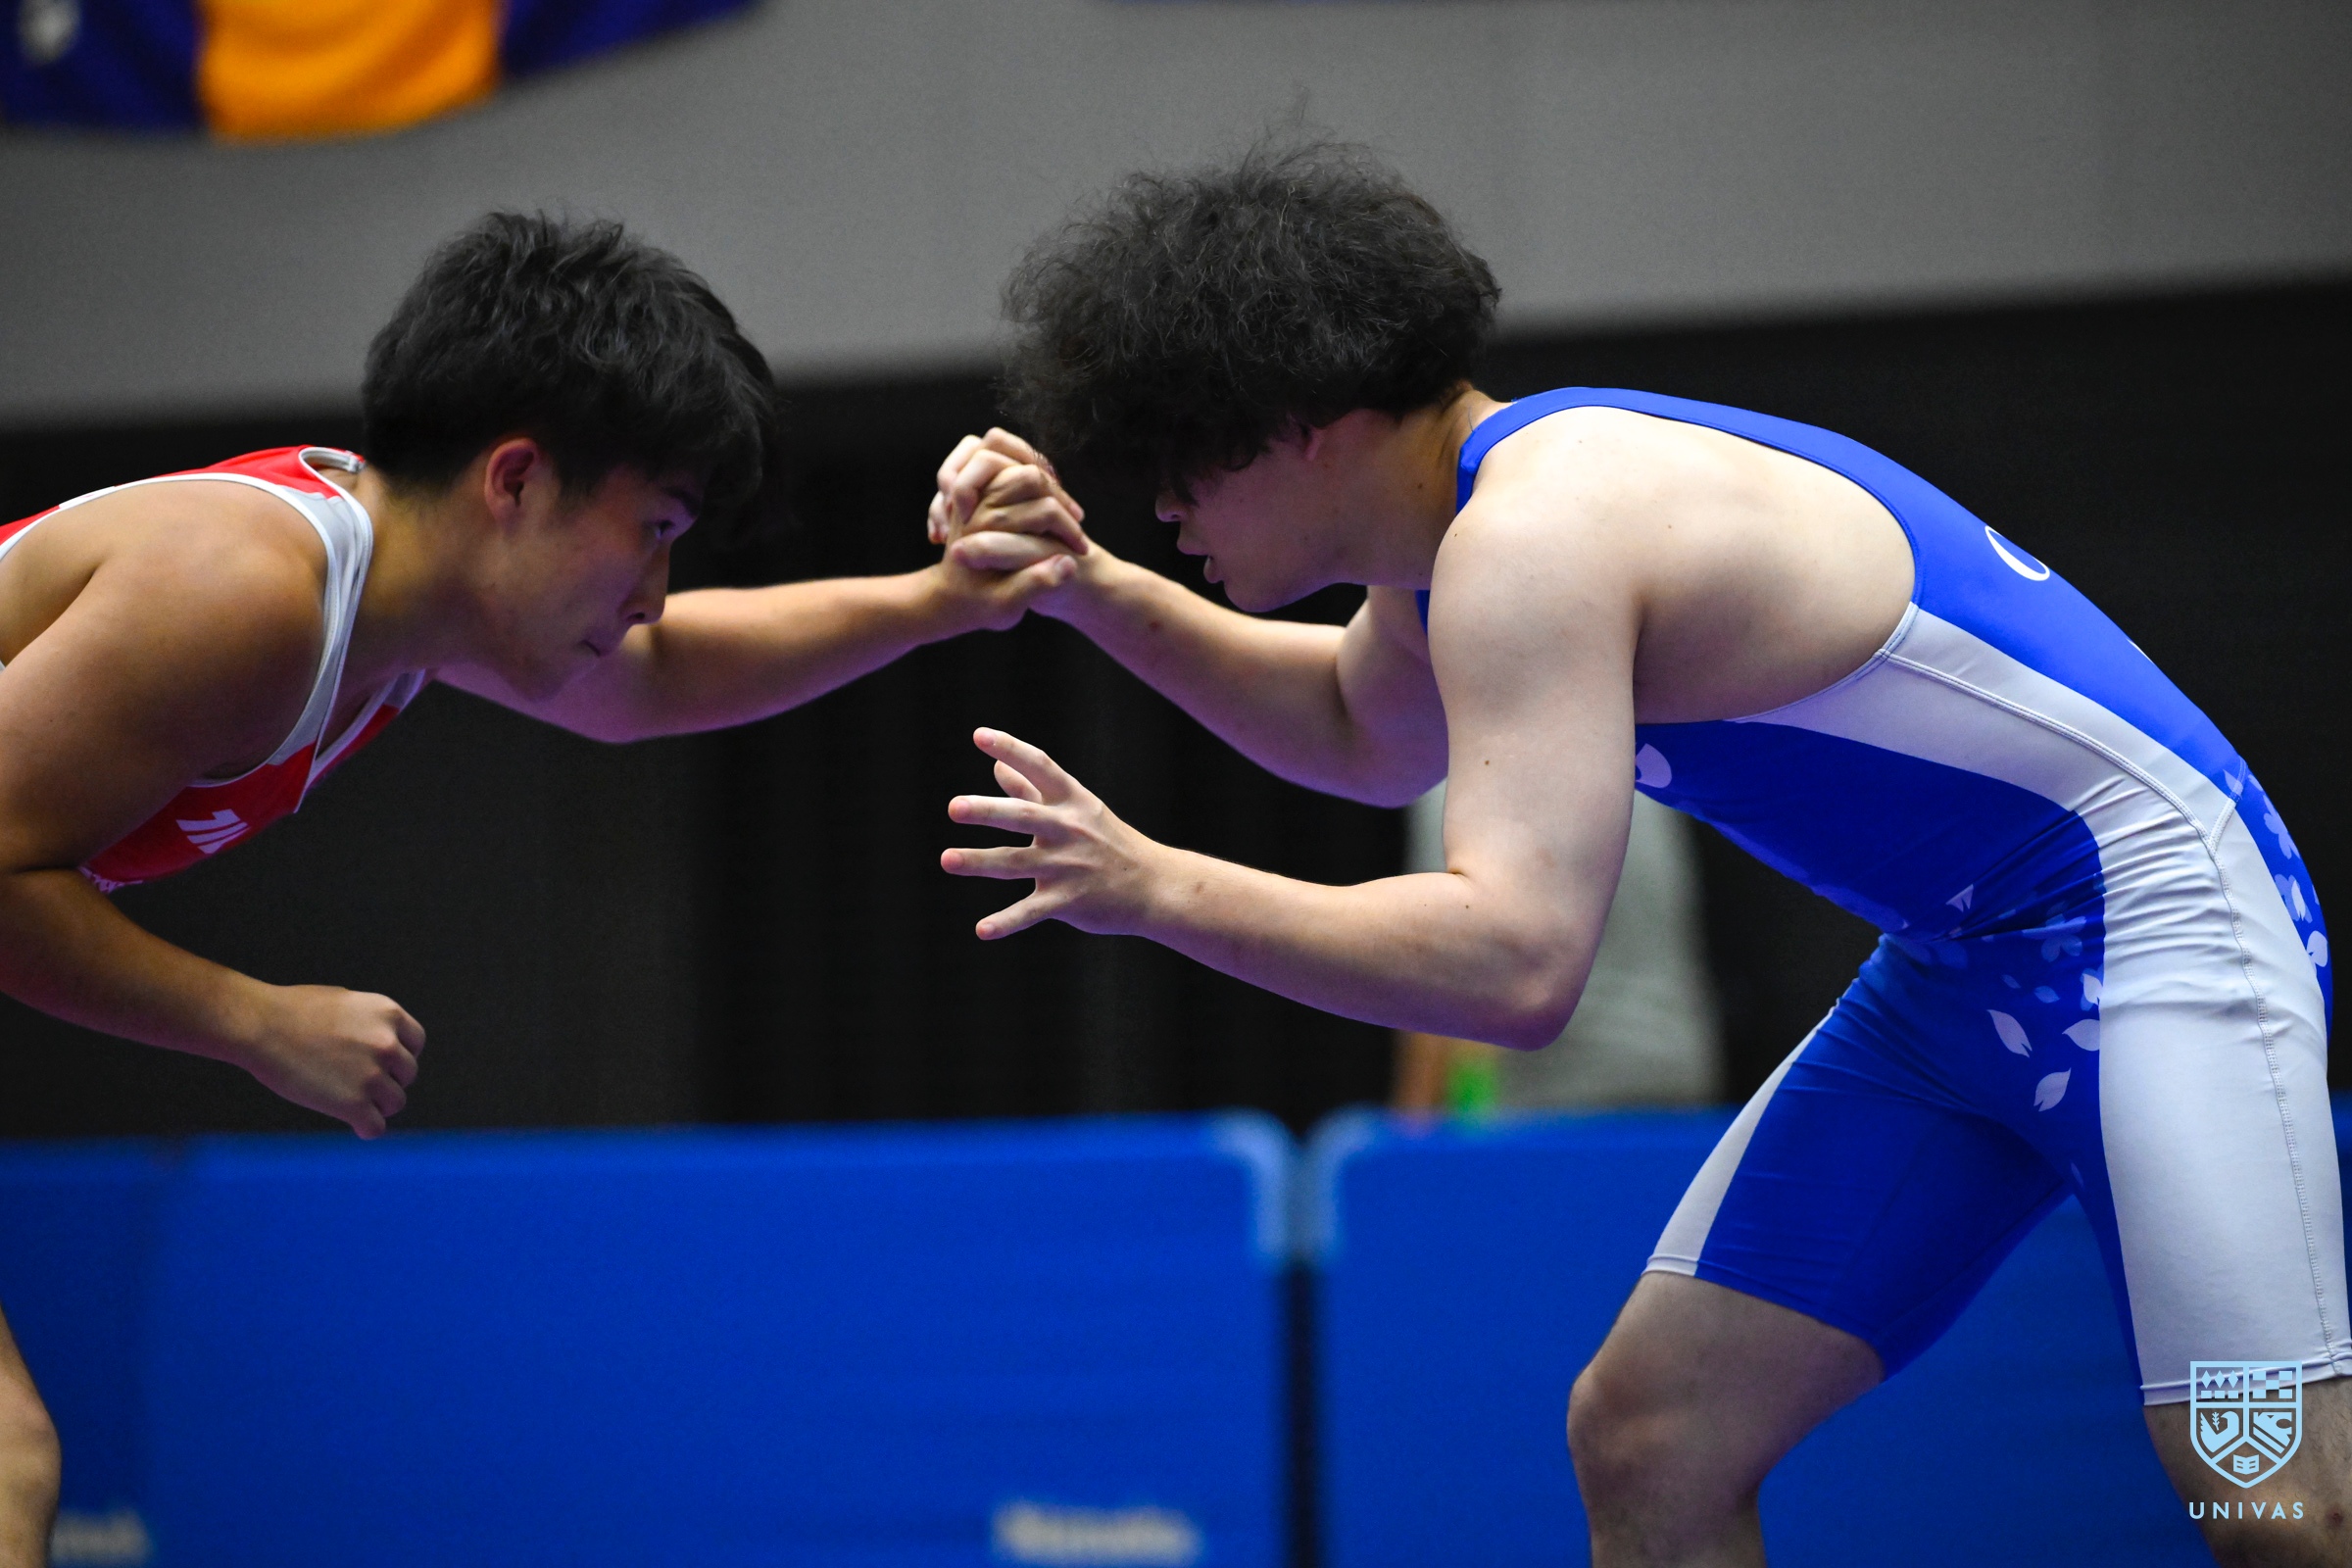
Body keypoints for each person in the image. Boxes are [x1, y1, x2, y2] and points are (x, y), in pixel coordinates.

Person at [928, 141, 2341, 1565]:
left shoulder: (1536, 534)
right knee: (1653, 1442)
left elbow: (1515, 967)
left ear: (1307, 422)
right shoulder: (1465, 536)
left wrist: (1155, 885)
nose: (1167, 507)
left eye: (1184, 460)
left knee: (2275, 1495)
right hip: (1960, 975)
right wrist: (1085, 585)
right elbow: (1360, 732)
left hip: (2157, 927)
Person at [0, 212, 1072, 1565]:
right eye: (654, 530)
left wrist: (943, 601)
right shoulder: (238, 592)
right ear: (514, 479)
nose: (654, 590)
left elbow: (653, 681)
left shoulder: (391, 601)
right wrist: (248, 1019)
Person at [1393, 783, 1721, 1114]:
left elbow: (1444, 960)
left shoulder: (1457, 781)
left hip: (1554, 1089)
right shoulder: (1645, 775)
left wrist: (1413, 1123)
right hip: (1674, 1068)